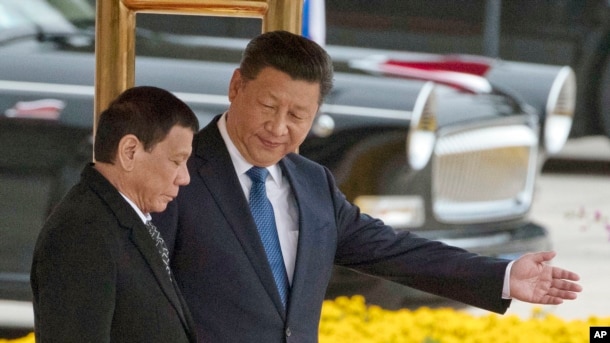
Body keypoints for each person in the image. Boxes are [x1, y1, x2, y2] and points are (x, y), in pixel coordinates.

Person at [152, 30, 582, 343]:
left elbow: (392, 250)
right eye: (268, 106)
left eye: (298, 116)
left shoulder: (311, 181)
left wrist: (503, 275)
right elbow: (136, 296)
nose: (278, 128)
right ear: (235, 86)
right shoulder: (173, 172)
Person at [31, 86, 199, 342]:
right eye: (177, 161)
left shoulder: (117, 221)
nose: (184, 178)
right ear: (129, 151)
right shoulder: (82, 233)